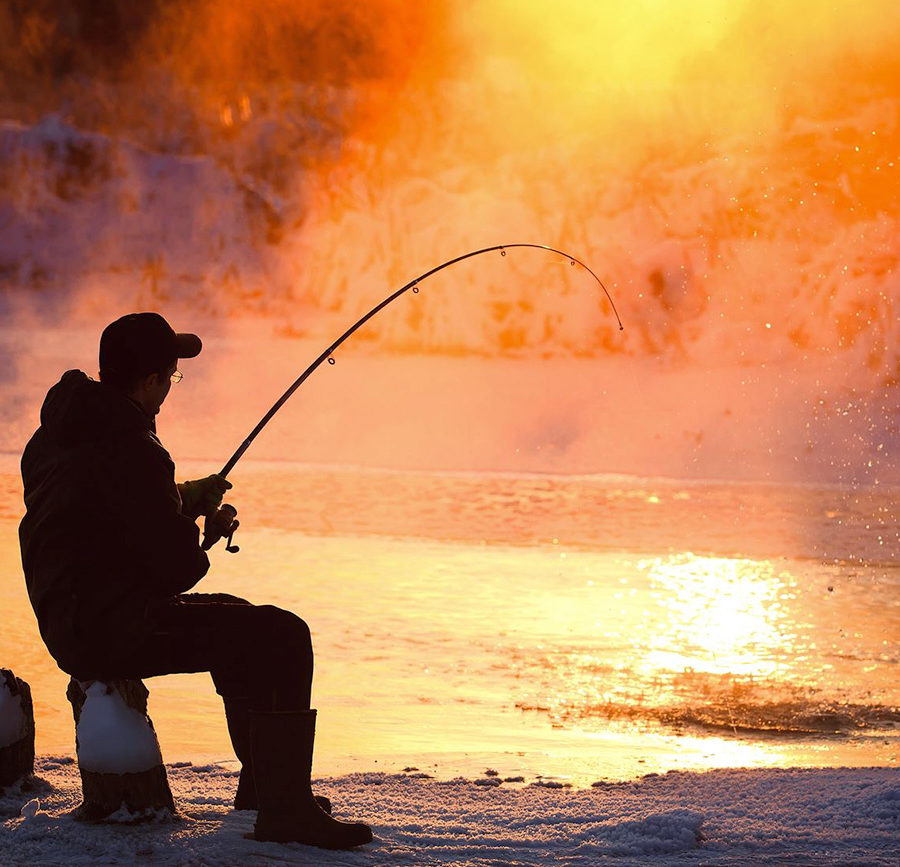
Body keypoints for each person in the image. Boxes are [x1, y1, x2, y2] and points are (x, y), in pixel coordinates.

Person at [18, 312, 372, 849]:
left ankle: (266, 792)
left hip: (69, 613)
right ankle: (284, 809)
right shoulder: (133, 447)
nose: (170, 389)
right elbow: (177, 570)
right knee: (283, 635)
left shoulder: (61, 432)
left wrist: (180, 498)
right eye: (171, 377)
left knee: (239, 615)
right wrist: (202, 526)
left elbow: (102, 513)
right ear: (150, 381)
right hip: (106, 626)